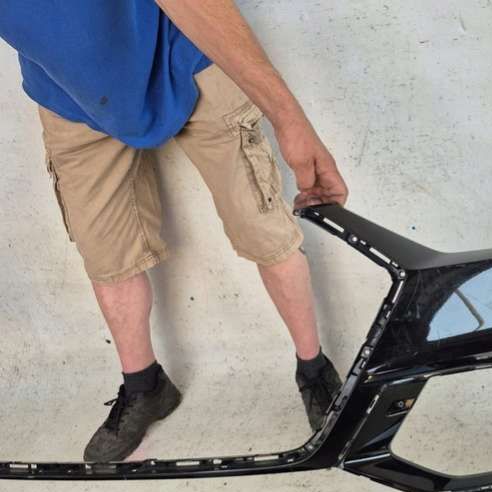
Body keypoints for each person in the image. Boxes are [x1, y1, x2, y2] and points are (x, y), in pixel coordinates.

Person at [0, 1, 349, 462]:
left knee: (262, 228)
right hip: (69, 90)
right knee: (105, 253)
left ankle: (314, 368)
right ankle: (145, 386)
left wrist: (289, 119)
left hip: (183, 52)